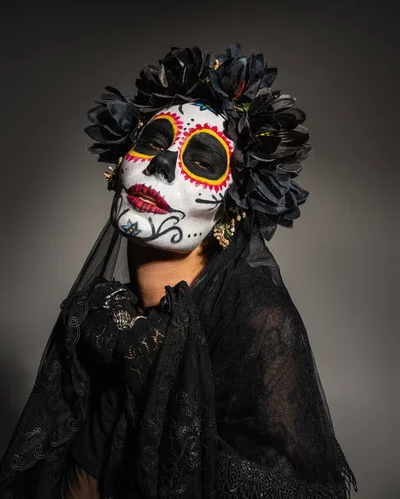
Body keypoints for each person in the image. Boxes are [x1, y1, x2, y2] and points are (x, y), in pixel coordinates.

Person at [0, 43, 358, 498]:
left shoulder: (256, 324)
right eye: (153, 141)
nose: (162, 163)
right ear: (118, 164)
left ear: (230, 211)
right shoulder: (108, 319)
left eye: (203, 161)